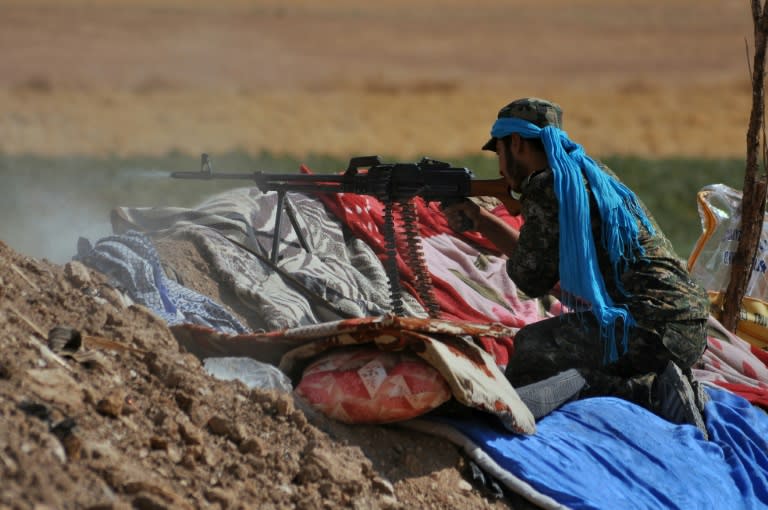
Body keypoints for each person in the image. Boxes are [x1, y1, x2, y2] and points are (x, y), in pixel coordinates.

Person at [443, 97, 710, 435]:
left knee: (533, 347)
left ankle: (650, 394)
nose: (499, 165)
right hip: (686, 320)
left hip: (651, 325)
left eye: (498, 152)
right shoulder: (587, 173)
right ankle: (659, 382)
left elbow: (531, 277)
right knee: (574, 347)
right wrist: (481, 219)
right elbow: (542, 260)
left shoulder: (548, 186)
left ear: (515, 143)